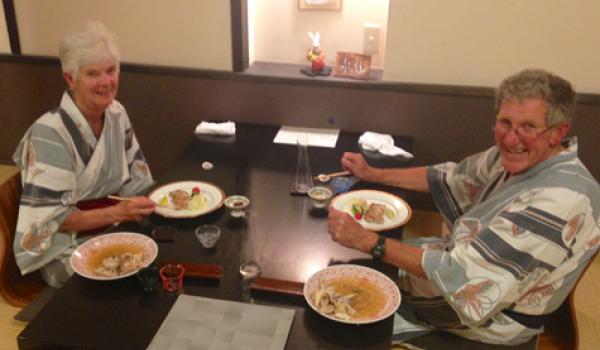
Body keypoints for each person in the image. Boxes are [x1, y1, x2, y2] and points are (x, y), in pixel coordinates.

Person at [327, 69, 600, 345]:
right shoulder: (522, 157)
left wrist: (369, 241)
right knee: (344, 274)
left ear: (558, 132)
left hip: (488, 319)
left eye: (528, 127)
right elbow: (453, 177)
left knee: (348, 318)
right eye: (505, 122)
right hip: (458, 263)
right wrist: (373, 174)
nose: (510, 139)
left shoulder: (561, 200)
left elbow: (464, 277)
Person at [12, 21, 155, 288]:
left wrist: (147, 205)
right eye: (92, 74)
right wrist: (119, 212)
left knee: (152, 267)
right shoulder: (49, 133)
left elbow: (136, 179)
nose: (106, 82)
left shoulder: (116, 113)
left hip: (114, 228)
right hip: (67, 244)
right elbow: (55, 219)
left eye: (111, 70)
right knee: (114, 282)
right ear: (70, 78)